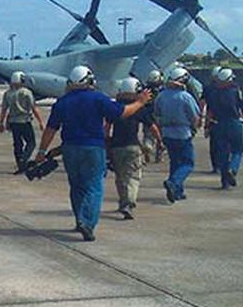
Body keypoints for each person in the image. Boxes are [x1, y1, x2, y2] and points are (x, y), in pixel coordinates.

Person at [34, 65, 151, 241]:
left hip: (70, 149)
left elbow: (51, 129)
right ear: (90, 81)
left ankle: (79, 218)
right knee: (94, 186)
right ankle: (87, 223)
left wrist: (42, 151)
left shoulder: (62, 102)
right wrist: (140, 102)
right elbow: (122, 113)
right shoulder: (98, 98)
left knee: (77, 186)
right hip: (93, 148)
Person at [108, 77, 160, 220]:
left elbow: (106, 127)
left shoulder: (115, 106)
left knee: (120, 177)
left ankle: (122, 201)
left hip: (116, 146)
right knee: (133, 177)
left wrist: (106, 142)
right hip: (132, 146)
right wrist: (160, 142)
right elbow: (153, 127)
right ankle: (129, 203)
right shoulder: (139, 108)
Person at [154, 67, 201, 203]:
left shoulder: (162, 95)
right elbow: (194, 116)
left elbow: (157, 113)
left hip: (167, 133)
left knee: (175, 162)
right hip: (182, 132)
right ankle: (173, 182)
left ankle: (177, 192)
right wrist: (195, 128)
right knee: (188, 162)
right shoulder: (185, 97)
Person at [207, 68, 243, 189]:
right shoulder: (237, 92)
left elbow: (210, 112)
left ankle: (224, 182)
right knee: (237, 150)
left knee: (223, 154)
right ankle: (232, 169)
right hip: (234, 123)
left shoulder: (213, 93)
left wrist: (207, 126)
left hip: (218, 125)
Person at [0, 71, 44, 174]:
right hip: (24, 121)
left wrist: (1, 123)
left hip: (13, 122)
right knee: (31, 143)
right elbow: (34, 108)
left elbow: (4, 110)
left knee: (17, 144)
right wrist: (41, 122)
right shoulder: (26, 92)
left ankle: (20, 165)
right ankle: (24, 159)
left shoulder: (7, 93)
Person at [201, 66, 222, 173]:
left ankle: (216, 166)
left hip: (212, 119)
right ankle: (224, 165)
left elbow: (202, 103)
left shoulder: (208, 88)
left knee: (214, 144)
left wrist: (201, 118)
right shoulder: (229, 88)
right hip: (223, 119)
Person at [142, 70, 165, 163]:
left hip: (147, 115)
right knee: (161, 136)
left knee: (148, 134)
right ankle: (159, 155)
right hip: (160, 115)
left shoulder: (145, 90)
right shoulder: (163, 90)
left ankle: (148, 145)